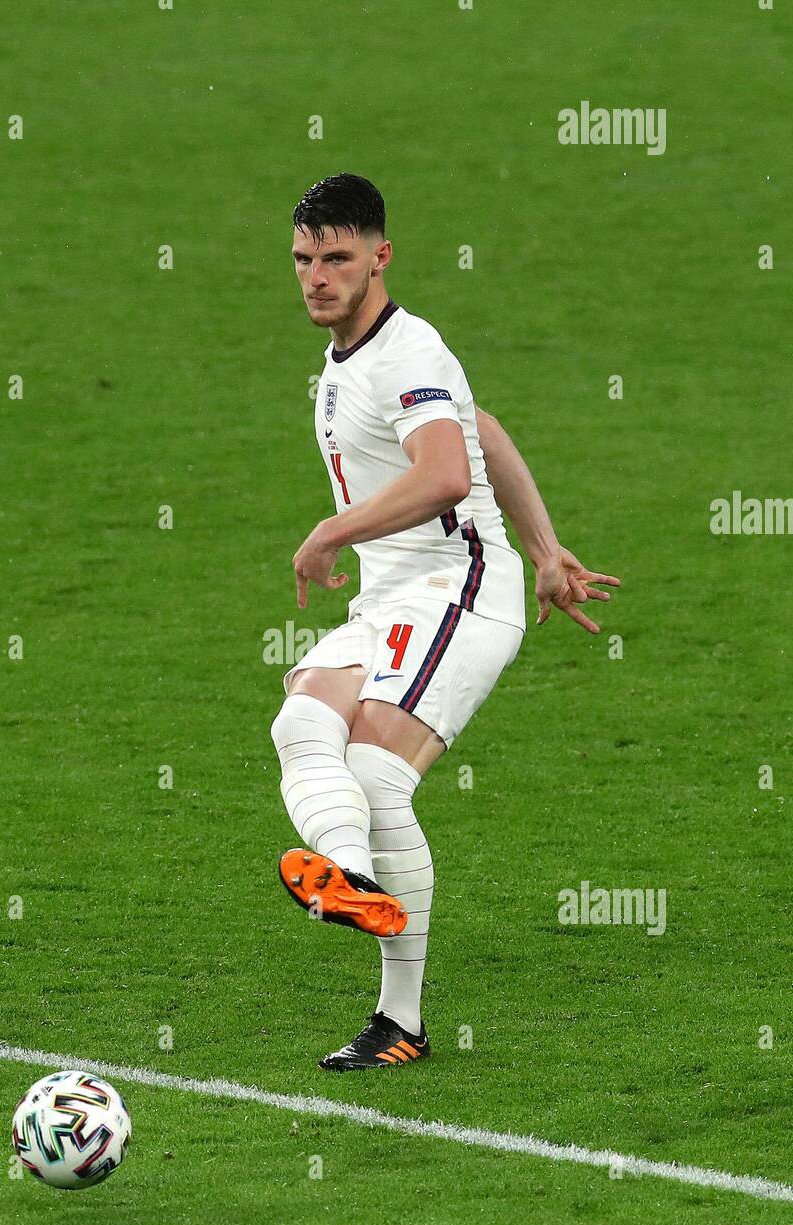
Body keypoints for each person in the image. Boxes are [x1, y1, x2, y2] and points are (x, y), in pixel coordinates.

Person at [270, 172, 620, 1071]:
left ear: (380, 258)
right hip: (397, 595)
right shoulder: (353, 358)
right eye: (306, 258)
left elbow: (446, 475)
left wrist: (329, 531)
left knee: (377, 777)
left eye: (338, 258)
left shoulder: (406, 352)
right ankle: (354, 887)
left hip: (459, 587)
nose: (318, 276)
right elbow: (484, 428)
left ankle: (395, 1003)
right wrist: (549, 550)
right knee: (303, 716)